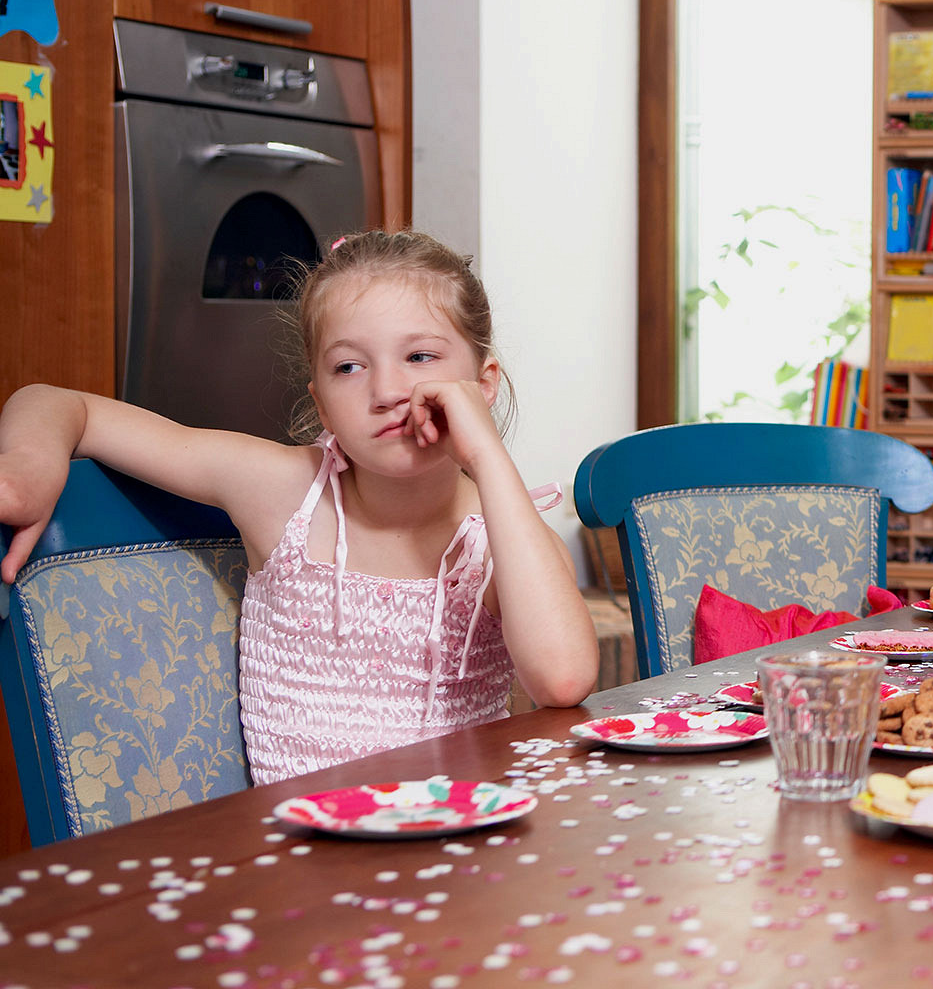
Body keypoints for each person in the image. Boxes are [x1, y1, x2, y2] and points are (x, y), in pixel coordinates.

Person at [0, 230, 599, 784]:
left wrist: (486, 453)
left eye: (420, 357)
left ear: (484, 384)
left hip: (461, 852)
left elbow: (563, 679)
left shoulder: (502, 535)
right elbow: (57, 402)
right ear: (320, 400)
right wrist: (24, 474)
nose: (387, 390)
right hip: (301, 866)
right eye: (348, 366)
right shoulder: (281, 492)